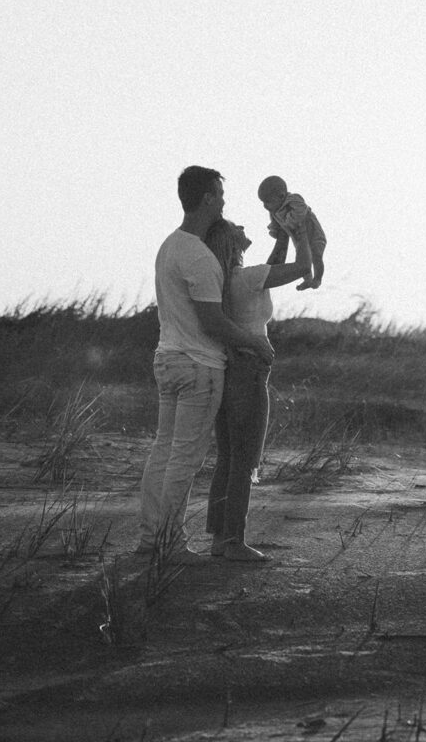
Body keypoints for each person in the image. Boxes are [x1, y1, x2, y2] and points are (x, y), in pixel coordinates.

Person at [137, 166, 275, 562]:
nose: (224, 201)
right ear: (208, 198)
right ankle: (171, 542)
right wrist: (254, 343)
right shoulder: (198, 255)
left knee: (163, 451)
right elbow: (212, 322)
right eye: (220, 193)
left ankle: (152, 538)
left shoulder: (170, 246)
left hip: (167, 358)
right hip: (199, 365)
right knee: (185, 456)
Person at [203, 217, 311, 561]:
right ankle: (234, 541)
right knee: (245, 459)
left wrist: (280, 239)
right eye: (237, 228)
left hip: (229, 368)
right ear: (231, 243)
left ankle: (221, 538)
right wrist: (299, 230)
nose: (243, 228)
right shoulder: (247, 279)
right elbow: (302, 266)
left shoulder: (228, 281)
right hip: (250, 371)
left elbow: (270, 270)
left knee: (228, 457)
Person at [257, 175, 326, 290]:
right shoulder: (274, 211)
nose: (265, 206)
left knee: (316, 256)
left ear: (281, 196)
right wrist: (275, 231)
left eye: (268, 202)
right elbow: (276, 225)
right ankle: (308, 280)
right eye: (263, 202)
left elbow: (301, 211)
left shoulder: (293, 200)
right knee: (302, 259)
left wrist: (289, 222)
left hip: (314, 234)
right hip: (298, 238)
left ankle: (318, 278)